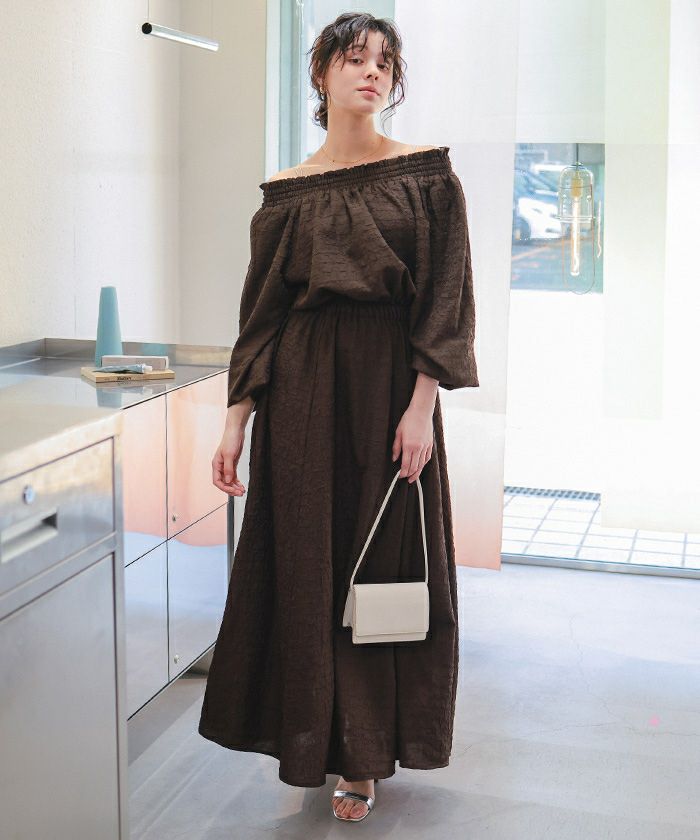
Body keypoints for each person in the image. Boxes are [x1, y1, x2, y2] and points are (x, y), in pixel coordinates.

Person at [198, 11, 479, 824]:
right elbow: (261, 317)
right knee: (305, 566)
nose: (372, 72)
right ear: (321, 73)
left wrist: (421, 408)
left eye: (384, 62)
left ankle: (365, 756)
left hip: (390, 387)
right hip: (301, 394)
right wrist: (235, 421)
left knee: (382, 564)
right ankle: (313, 736)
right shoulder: (287, 192)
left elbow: (446, 302)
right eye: (354, 58)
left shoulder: (428, 176)